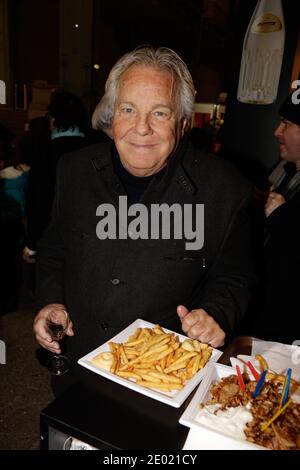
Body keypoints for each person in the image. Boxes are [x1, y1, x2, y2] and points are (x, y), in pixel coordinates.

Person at [33, 46, 255, 392]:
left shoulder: (226, 190)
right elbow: (54, 247)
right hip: (78, 367)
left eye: (160, 113)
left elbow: (234, 275)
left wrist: (217, 313)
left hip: (162, 383)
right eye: (128, 109)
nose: (141, 128)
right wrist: (50, 299)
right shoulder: (73, 170)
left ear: (182, 122)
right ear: (112, 116)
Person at [242, 91, 300, 343]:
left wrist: (283, 217)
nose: (277, 131)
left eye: (287, 123)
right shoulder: (285, 169)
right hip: (263, 313)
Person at [23, 91, 89, 263]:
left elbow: (38, 201)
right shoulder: (96, 150)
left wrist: (31, 244)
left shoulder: (45, 152)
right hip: (90, 241)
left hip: (54, 241)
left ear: (53, 119)